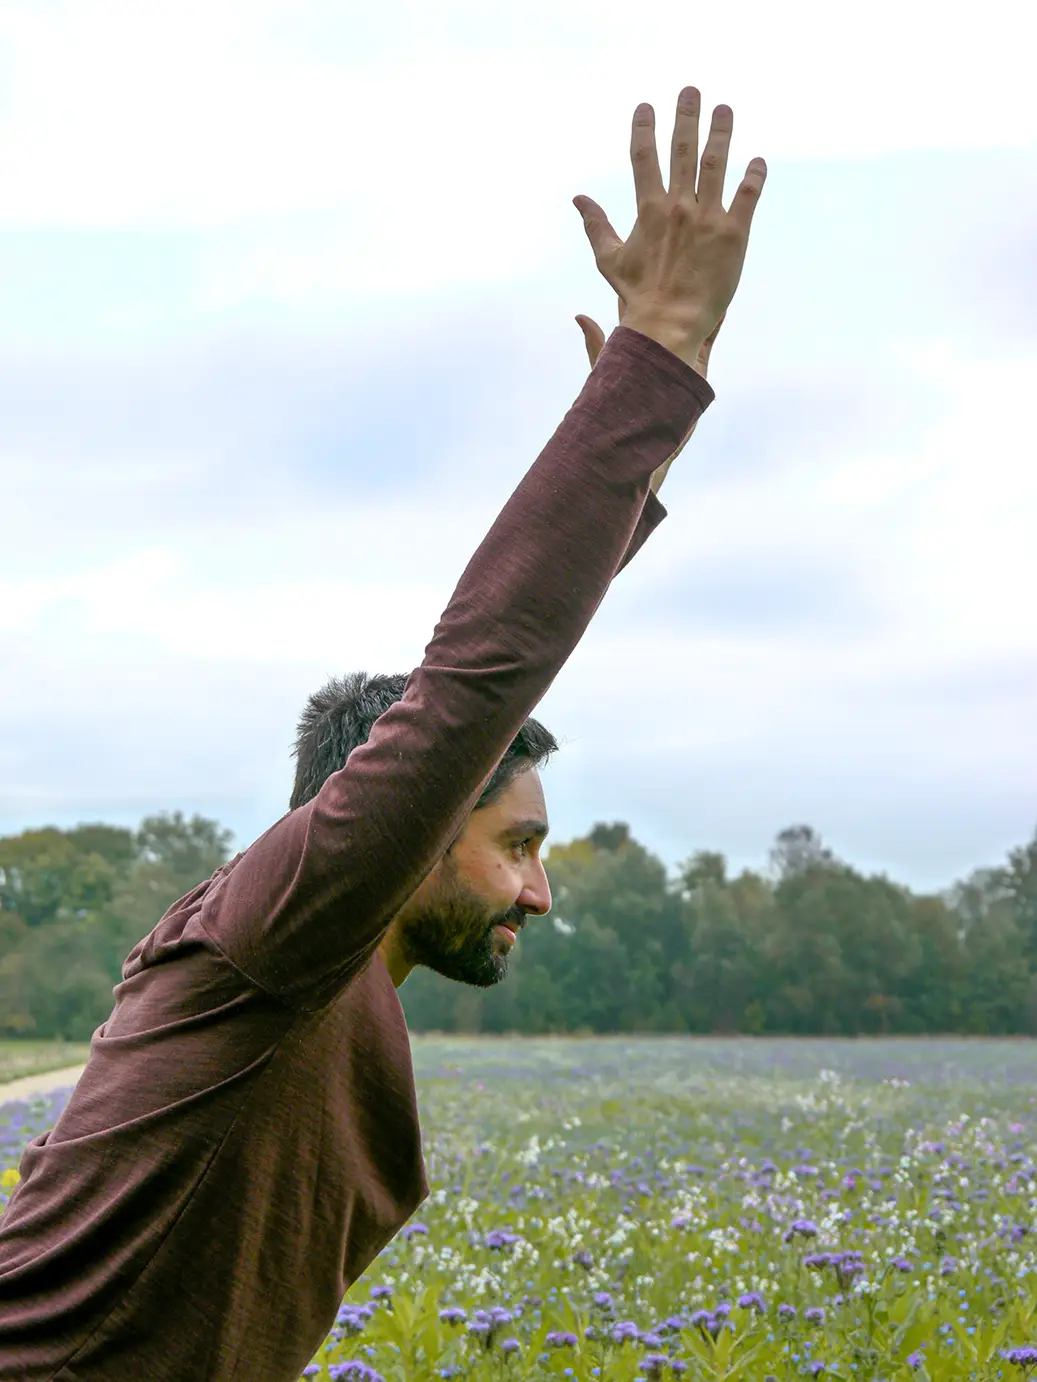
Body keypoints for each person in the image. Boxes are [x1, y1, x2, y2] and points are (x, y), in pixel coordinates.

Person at [0, 85, 767, 1381]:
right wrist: (658, 364)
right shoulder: (283, 929)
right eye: (516, 844)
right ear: (400, 819)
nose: (540, 888)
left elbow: (487, 695)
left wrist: (617, 486)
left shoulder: (325, 974)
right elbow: (468, 686)